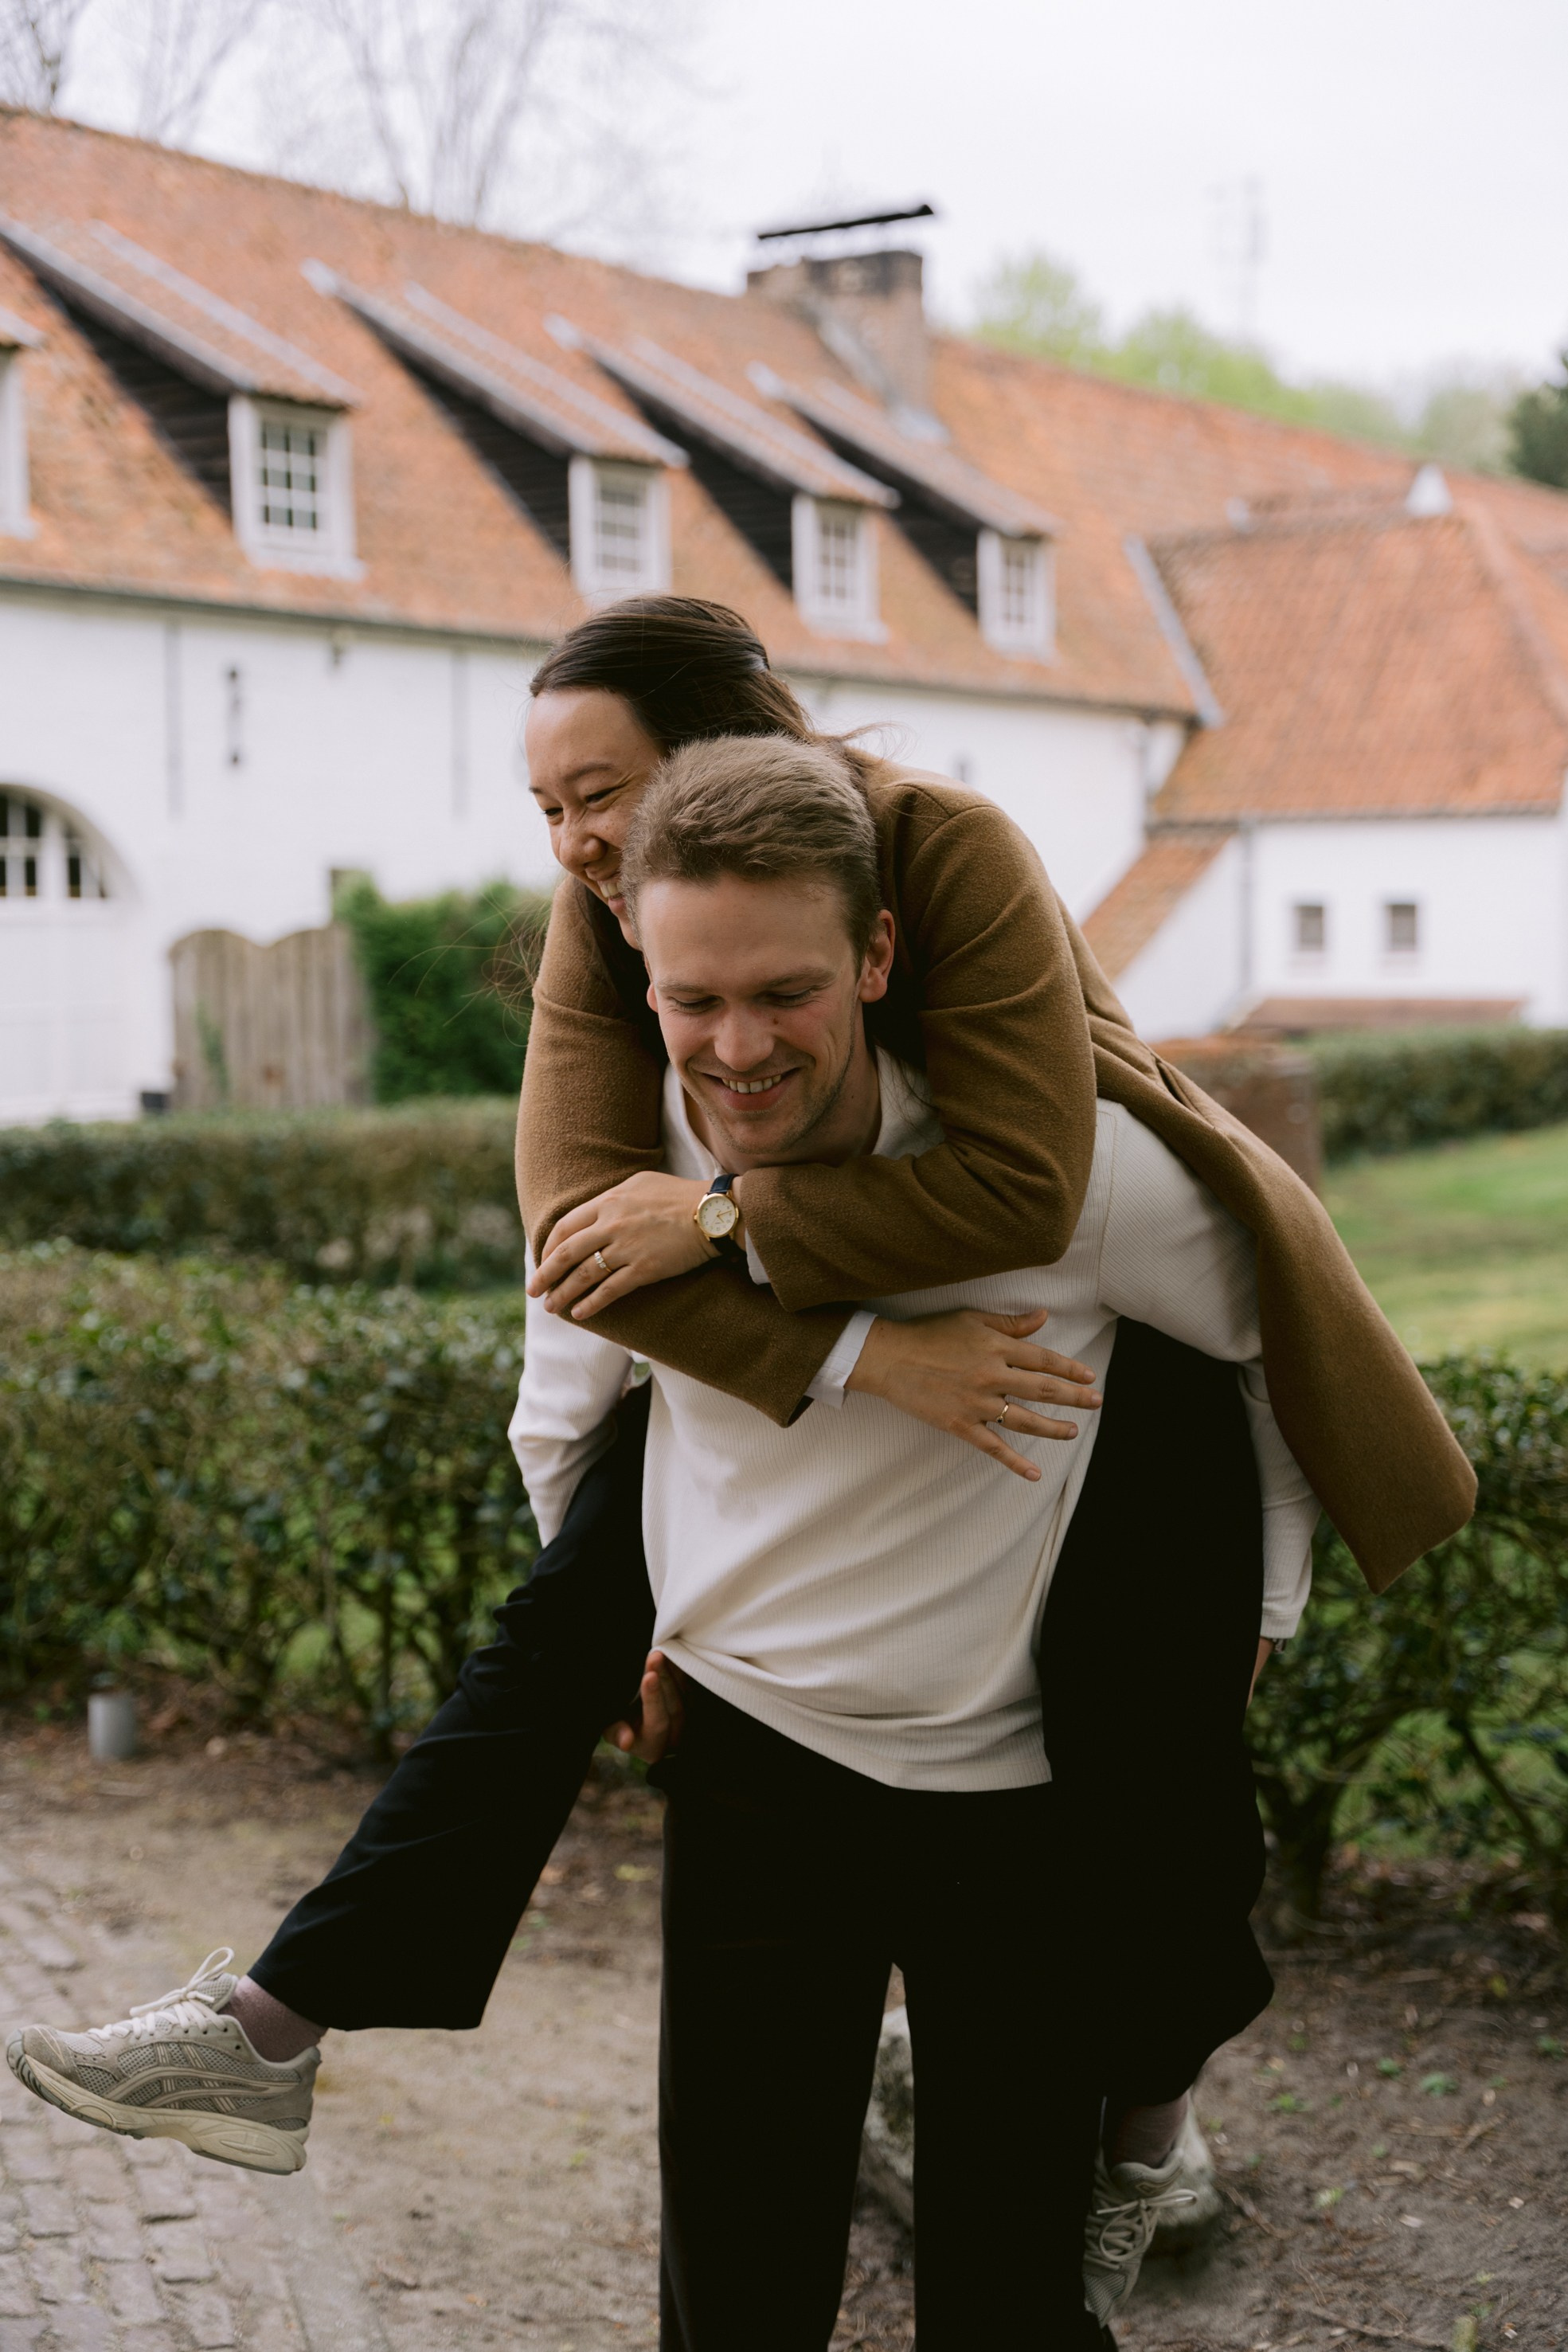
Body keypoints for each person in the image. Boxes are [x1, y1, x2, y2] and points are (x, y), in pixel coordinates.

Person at [6, 606, 1473, 2330]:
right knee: (733, 2279)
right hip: (763, 1754)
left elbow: (1263, 1340)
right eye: (687, 996)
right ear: (638, 977)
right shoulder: (627, 1119)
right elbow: (568, 1365)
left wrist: (1264, 1610)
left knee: (1035, 2223)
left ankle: (1138, 2140)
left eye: (780, 990)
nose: (733, 1041)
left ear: (868, 955)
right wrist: (788, 1417)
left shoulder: (1050, 1154)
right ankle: (275, 2019)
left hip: (1009, 1792)